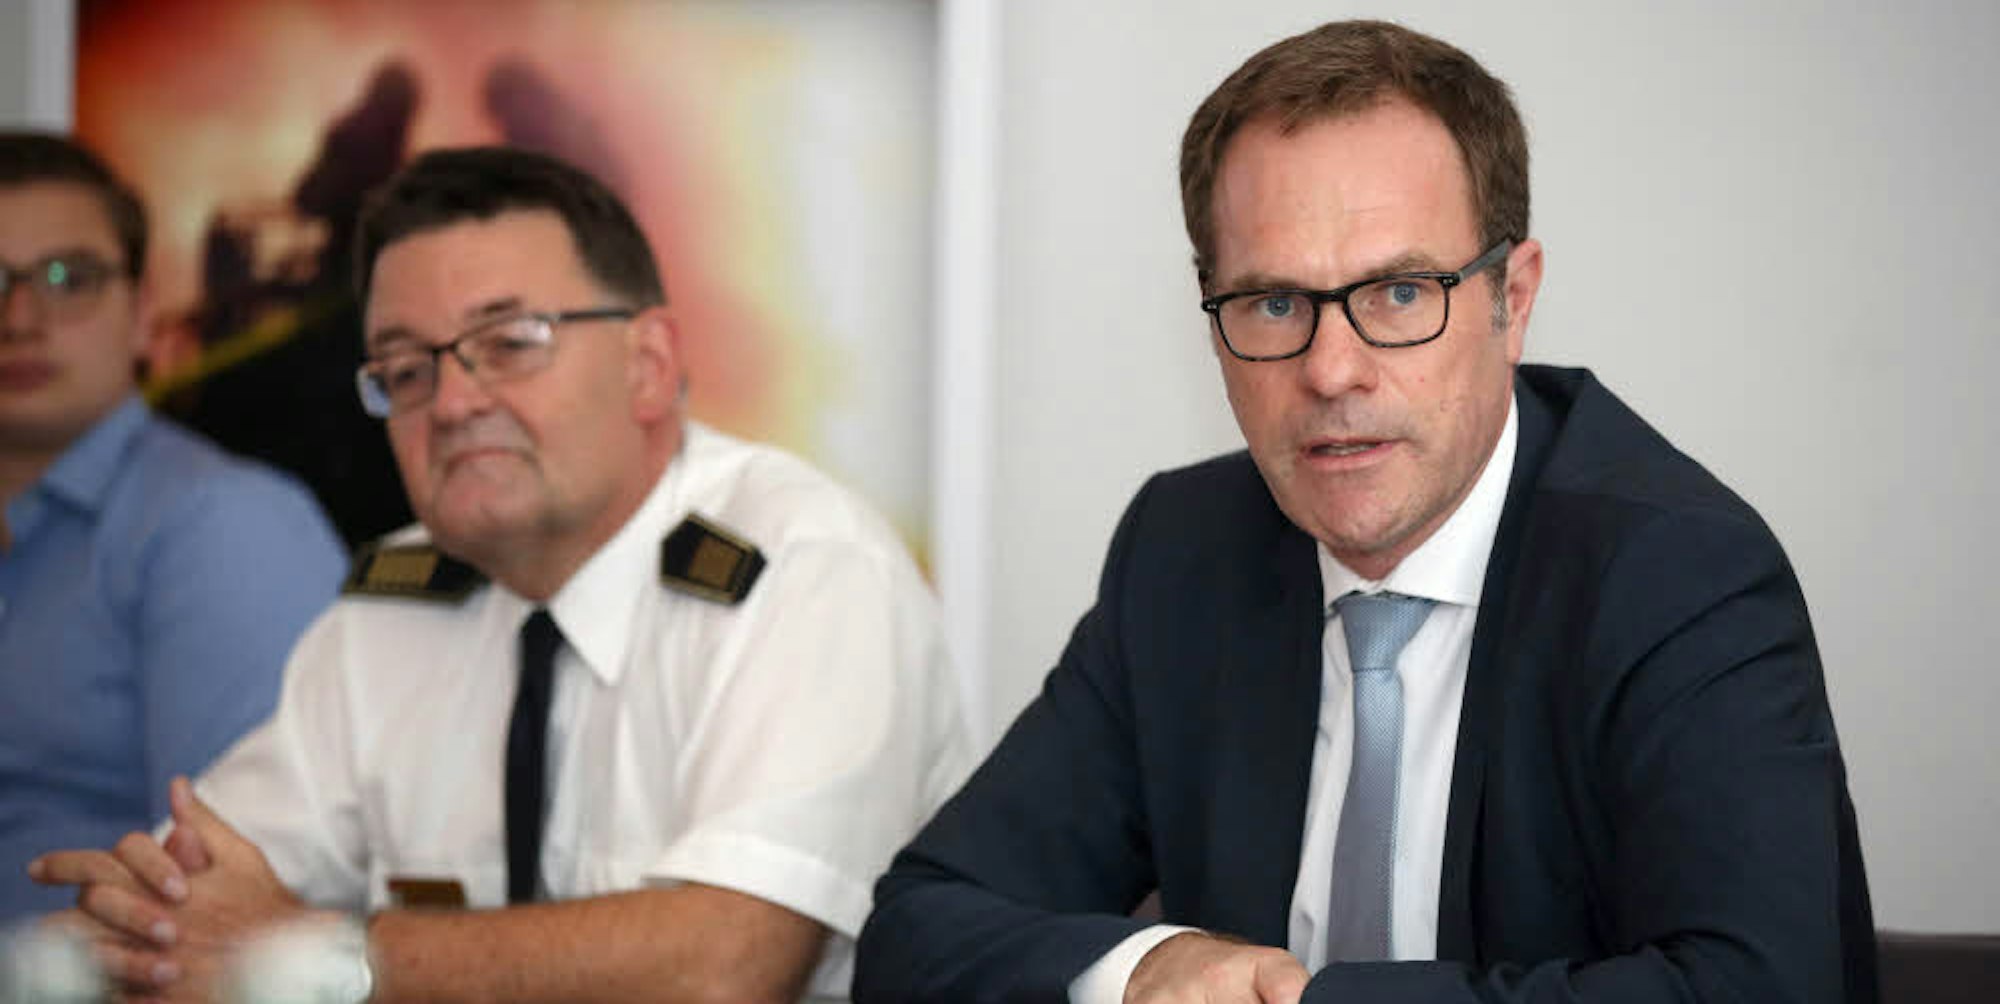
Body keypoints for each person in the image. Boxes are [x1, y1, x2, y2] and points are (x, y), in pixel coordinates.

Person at [854, 20, 1875, 1004]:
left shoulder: (1678, 574)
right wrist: (1142, 969)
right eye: (1273, 303)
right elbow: (921, 926)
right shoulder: (1184, 552)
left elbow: (1760, 987)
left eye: (1397, 293)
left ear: (1512, 299)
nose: (1330, 370)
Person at [31, 146, 971, 1003]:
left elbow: (723, 966)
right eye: (406, 368)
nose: (452, 403)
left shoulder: (802, 570)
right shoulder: (389, 613)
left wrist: (325, 956)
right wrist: (138, 927)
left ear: (649, 365)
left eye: (512, 343)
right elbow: (201, 898)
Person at [0, 133, 347, 924]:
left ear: (142, 312)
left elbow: (229, 910)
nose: (19, 318)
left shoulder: (219, 527)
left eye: (68, 278)